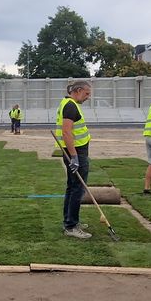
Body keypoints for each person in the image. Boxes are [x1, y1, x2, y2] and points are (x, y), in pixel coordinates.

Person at [56, 81, 92, 239]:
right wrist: (74, 156)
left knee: (72, 188)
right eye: (86, 93)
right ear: (78, 91)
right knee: (77, 189)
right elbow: (66, 132)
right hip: (76, 153)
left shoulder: (69, 104)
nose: (88, 97)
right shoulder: (70, 106)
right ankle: (71, 226)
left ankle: (70, 221)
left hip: (76, 151)